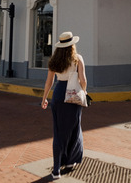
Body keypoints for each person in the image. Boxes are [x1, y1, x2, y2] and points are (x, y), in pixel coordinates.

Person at [41, 32, 86, 180]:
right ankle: (70, 161)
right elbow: (83, 80)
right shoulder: (77, 59)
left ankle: (56, 170)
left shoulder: (54, 60)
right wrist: (84, 92)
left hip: (59, 94)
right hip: (73, 95)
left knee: (59, 131)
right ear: (72, 45)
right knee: (74, 128)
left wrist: (44, 98)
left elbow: (49, 81)